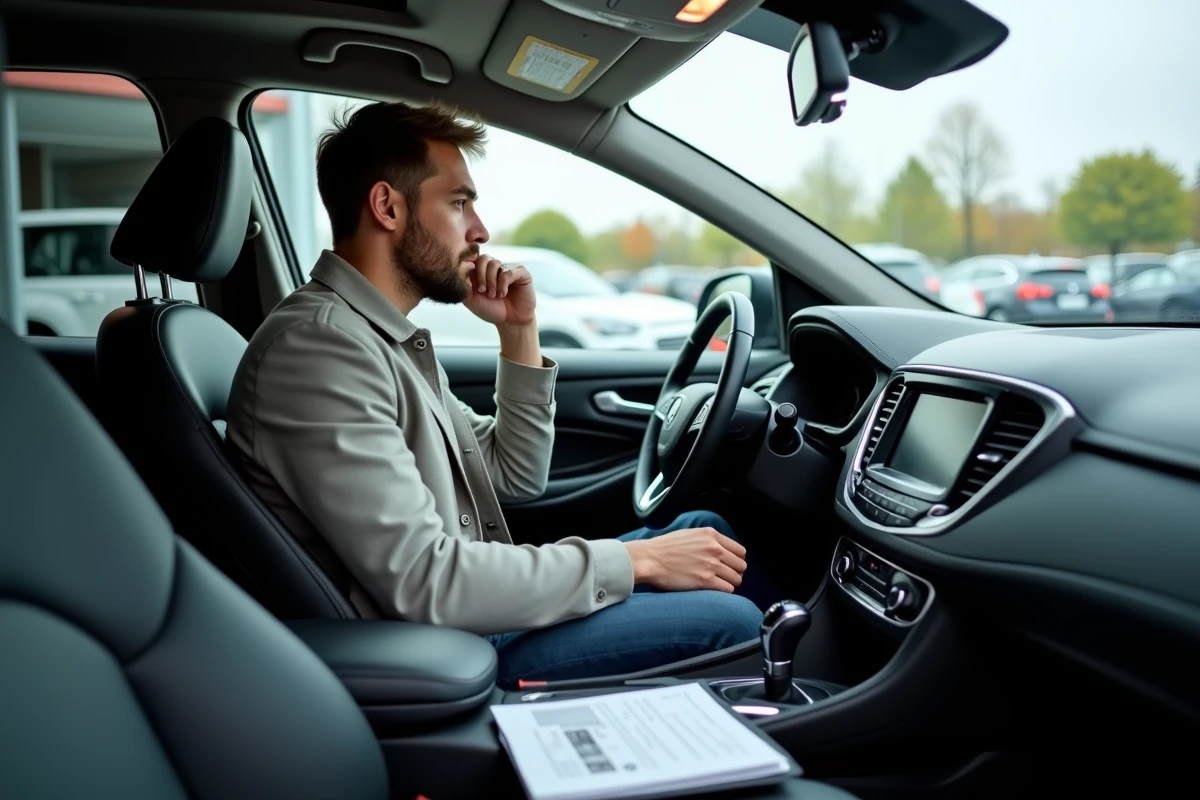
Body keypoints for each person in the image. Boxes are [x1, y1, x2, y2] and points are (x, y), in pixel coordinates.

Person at [226, 100, 767, 686]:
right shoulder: (320, 351)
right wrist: (644, 560)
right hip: (441, 649)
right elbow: (426, 583)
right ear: (387, 207)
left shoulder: (379, 339)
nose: (480, 231)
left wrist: (518, 331)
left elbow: (514, 474)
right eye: (459, 203)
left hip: (472, 612)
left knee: (707, 528)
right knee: (732, 622)